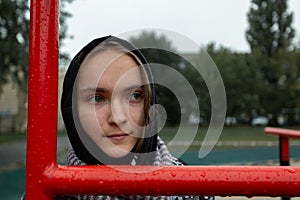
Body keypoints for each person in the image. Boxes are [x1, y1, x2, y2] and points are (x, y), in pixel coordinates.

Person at [59, 35, 214, 200]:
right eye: (97, 98)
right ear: (72, 110)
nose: (118, 118)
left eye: (134, 96)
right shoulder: (46, 194)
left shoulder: (192, 189)